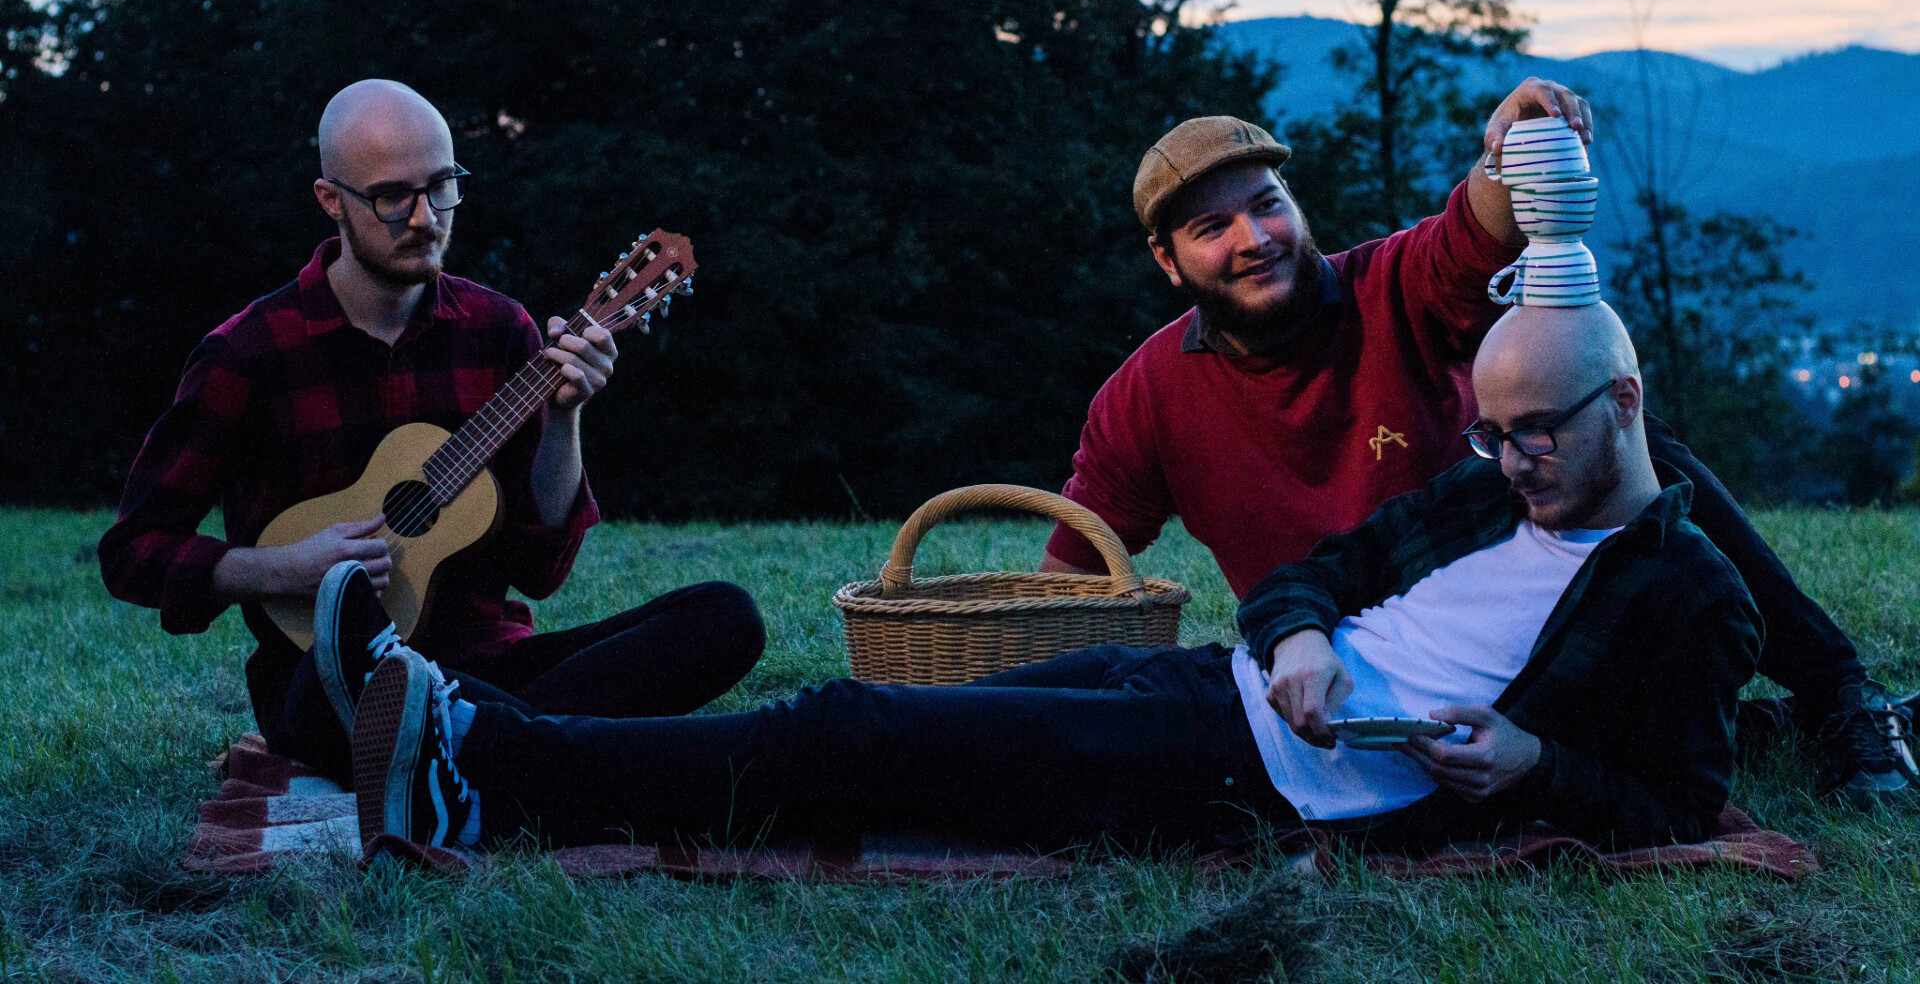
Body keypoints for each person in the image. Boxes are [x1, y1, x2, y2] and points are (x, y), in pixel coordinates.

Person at [344, 303, 1760, 856]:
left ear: (1627, 405)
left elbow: (1679, 804)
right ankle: (500, 784)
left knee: (859, 735)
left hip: (1270, 780)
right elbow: (1313, 574)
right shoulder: (1481, 489)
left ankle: (492, 749)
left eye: (1539, 434)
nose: (1509, 458)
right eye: (1496, 430)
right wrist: (1308, 637)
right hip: (1240, 692)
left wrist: (1527, 764)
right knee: (873, 750)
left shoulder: (1688, 595)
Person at [1038, 81, 1911, 803]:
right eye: (1212, 228)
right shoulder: (1146, 396)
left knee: (1635, 443)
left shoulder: (1391, 284)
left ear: (1295, 206)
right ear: (1167, 260)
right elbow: (1074, 571)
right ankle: (1762, 728)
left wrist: (1510, 141)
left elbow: (1477, 231)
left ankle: (1841, 697)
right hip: (1335, 661)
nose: (1255, 239)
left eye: (1267, 206)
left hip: (1505, 614)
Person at [98, 80, 765, 783]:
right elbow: (135, 553)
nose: (425, 218)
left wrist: (564, 416)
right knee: (344, 706)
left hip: (490, 664)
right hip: (332, 681)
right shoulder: (249, 354)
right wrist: (283, 569)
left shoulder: (500, 331)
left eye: (442, 187)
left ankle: (489, 753)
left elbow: (542, 572)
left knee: (725, 617)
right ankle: (555, 751)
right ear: (332, 201)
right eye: (392, 197)